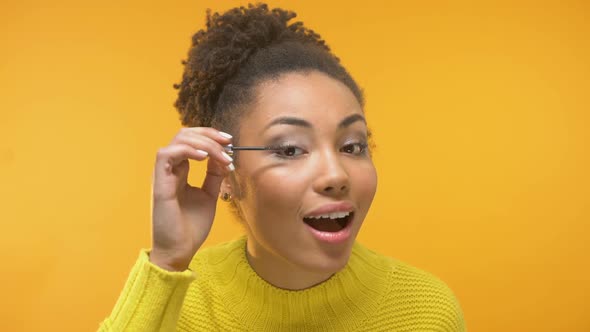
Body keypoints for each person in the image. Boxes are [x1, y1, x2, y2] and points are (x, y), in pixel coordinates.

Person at [98, 3, 466, 331]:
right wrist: (167, 262)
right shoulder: (178, 308)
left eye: (352, 146)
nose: (336, 175)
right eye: (291, 149)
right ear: (225, 172)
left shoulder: (427, 313)